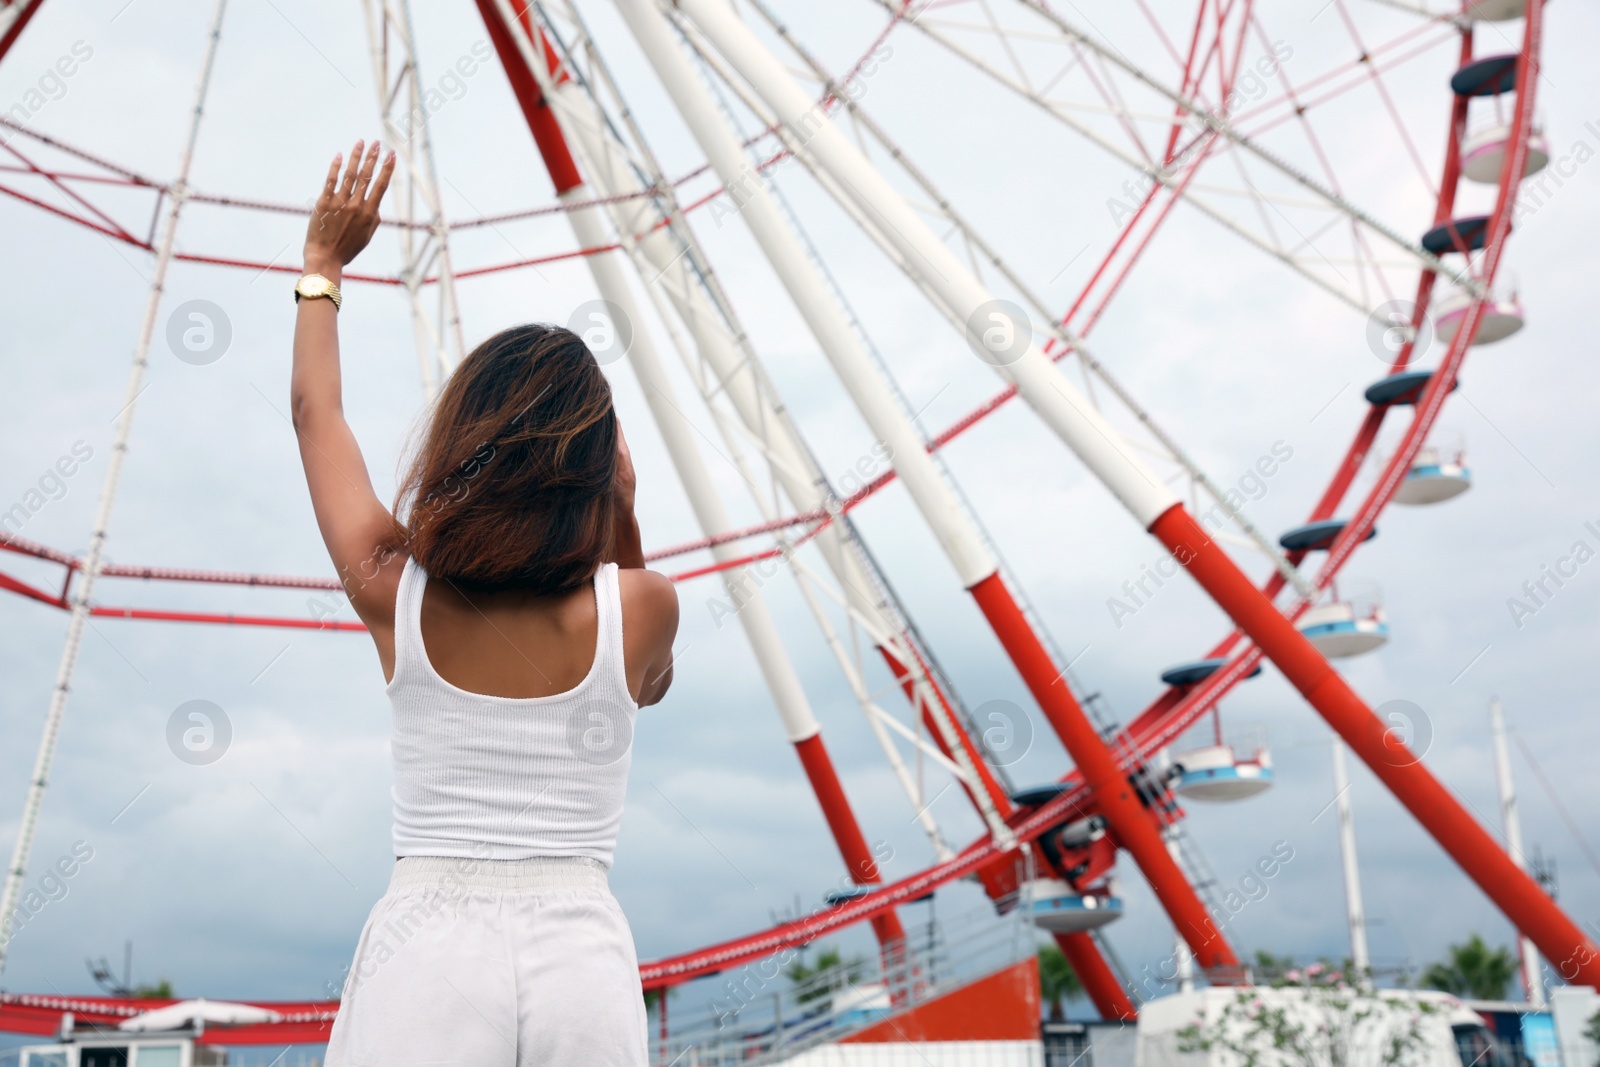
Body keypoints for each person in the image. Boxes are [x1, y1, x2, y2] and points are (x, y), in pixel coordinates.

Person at [291, 140, 678, 1065]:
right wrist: (623, 511)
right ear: (596, 466)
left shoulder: (395, 591)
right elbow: (649, 682)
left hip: (426, 947)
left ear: (463, 441)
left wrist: (322, 270)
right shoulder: (645, 609)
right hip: (579, 952)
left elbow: (317, 416)